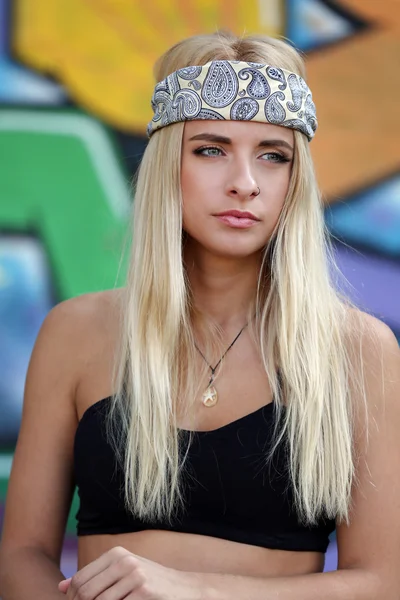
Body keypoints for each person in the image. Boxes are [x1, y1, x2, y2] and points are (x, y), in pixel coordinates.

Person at [0, 30, 399, 600]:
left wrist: (195, 590)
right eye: (211, 149)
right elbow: (22, 557)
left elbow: (383, 583)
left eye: (273, 156)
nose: (244, 183)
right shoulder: (76, 333)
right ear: (169, 164)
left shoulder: (357, 349)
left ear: (295, 179)